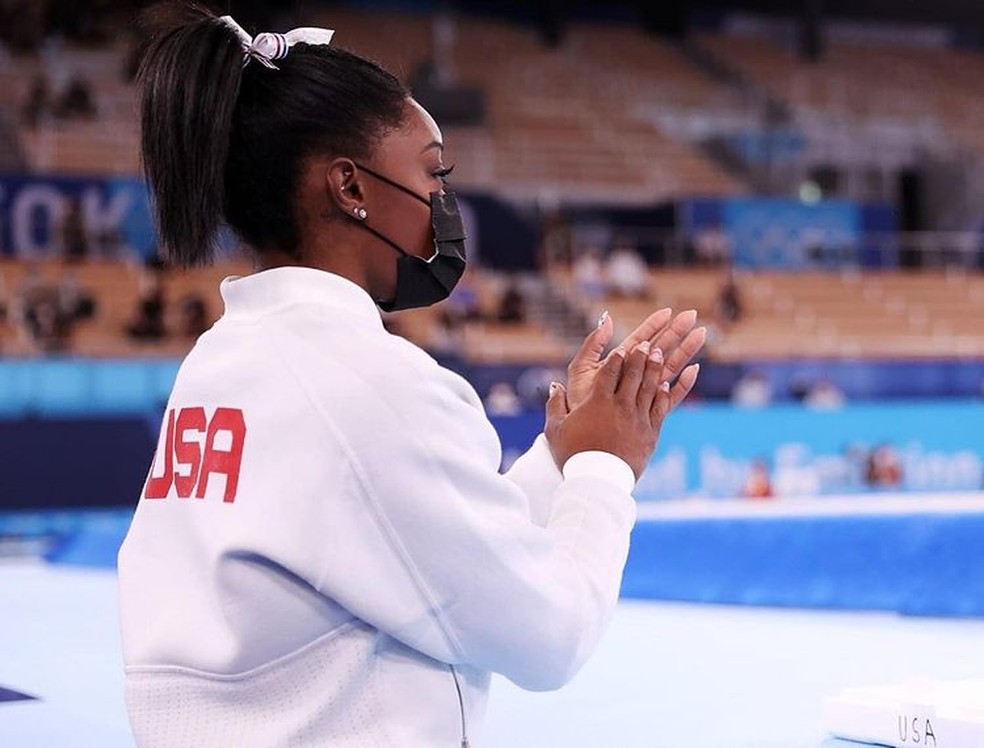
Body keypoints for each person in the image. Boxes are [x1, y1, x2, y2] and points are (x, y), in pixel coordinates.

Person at [117, 6, 706, 747]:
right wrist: (604, 467)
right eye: (434, 172)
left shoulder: (224, 361)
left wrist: (559, 456)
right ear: (350, 187)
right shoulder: (367, 383)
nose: (443, 202)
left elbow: (413, 538)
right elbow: (550, 634)